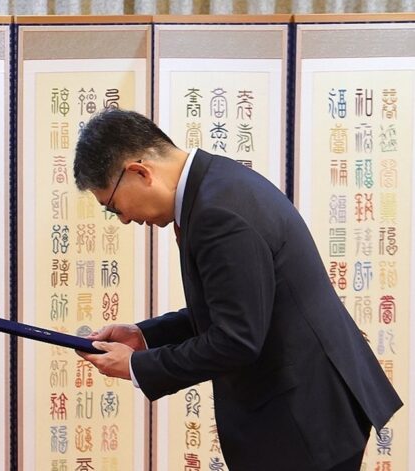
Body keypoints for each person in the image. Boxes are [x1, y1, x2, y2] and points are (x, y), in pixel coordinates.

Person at [74, 109, 402, 471]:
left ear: (139, 172)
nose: (124, 219)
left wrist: (139, 365)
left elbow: (236, 339)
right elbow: (236, 306)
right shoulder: (217, 182)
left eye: (113, 206)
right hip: (310, 404)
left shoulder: (218, 212)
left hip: (304, 420)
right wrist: (145, 336)